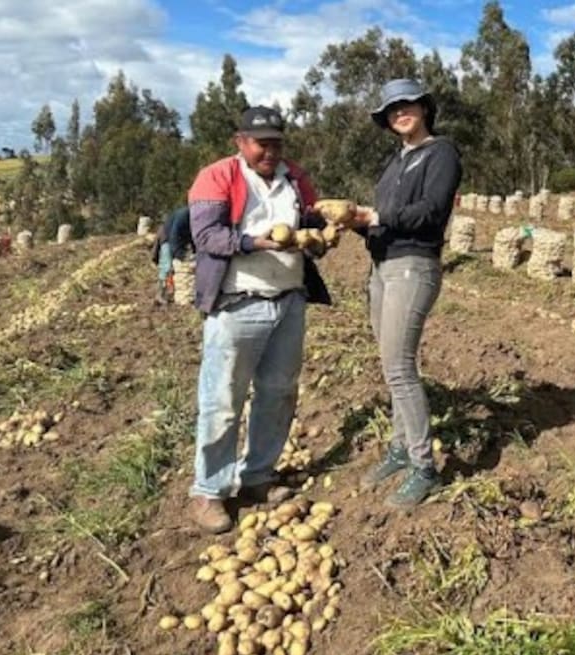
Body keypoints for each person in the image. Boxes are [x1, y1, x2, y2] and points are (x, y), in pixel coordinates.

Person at [185, 105, 332, 534]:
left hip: (288, 302)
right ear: (241, 142)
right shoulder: (217, 176)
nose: (270, 151)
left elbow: (309, 223)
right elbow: (207, 236)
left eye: (276, 143)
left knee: (278, 393)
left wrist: (318, 238)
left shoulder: (296, 178)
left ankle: (257, 479)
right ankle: (209, 491)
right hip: (237, 304)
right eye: (261, 143)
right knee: (223, 400)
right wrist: (256, 242)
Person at [350, 79, 462, 509]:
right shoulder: (395, 163)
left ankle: (424, 466)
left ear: (423, 107)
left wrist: (377, 214)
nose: (400, 112)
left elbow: (431, 212)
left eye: (407, 104)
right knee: (389, 363)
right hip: (381, 268)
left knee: (399, 366)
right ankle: (400, 447)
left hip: (413, 267)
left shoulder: (441, 152)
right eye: (392, 108)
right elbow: (384, 220)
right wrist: (353, 219)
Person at [151, 205, 194, 304]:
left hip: (181, 238)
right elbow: (174, 237)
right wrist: (180, 255)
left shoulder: (196, 217)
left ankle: (177, 291)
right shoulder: (184, 215)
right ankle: (160, 294)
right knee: (166, 266)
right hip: (167, 235)